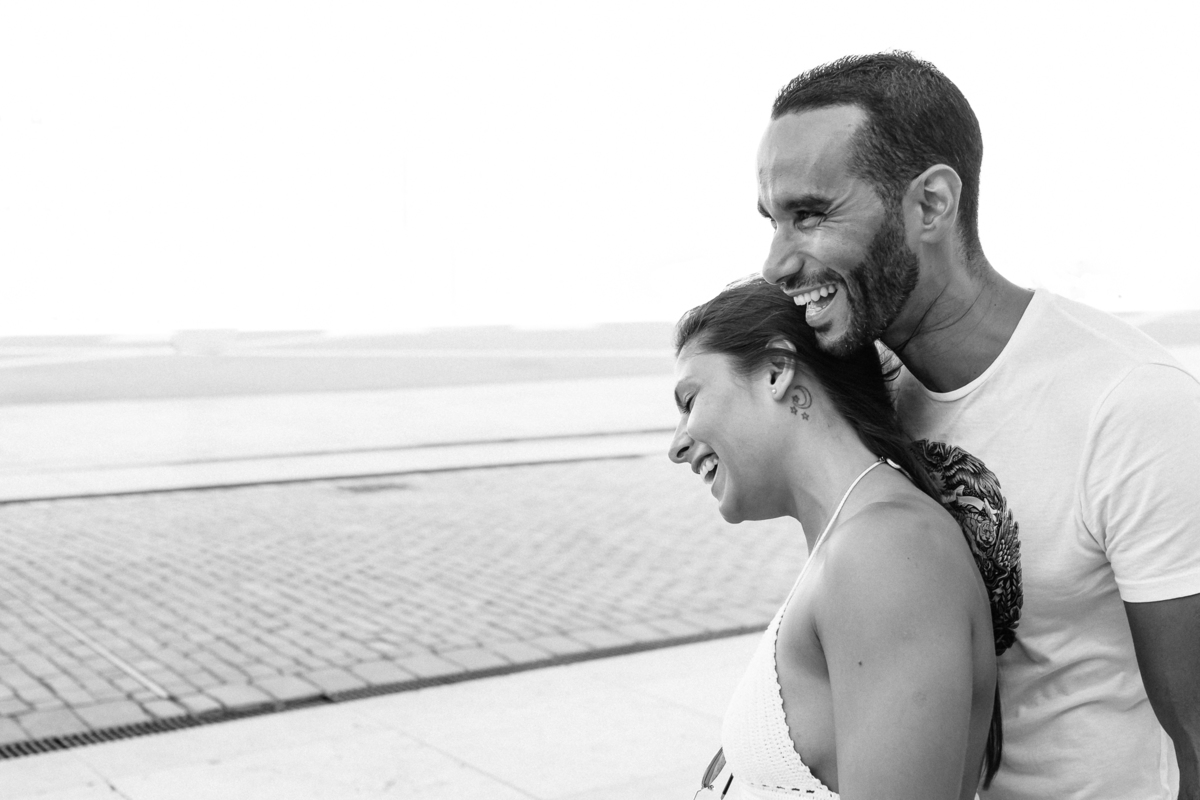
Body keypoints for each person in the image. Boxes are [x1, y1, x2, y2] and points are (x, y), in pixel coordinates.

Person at [755, 51, 1200, 800]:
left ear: (930, 204)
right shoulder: (867, 396)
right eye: (772, 220)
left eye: (810, 214)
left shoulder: (1130, 403)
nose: (775, 262)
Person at [669, 276, 1017, 799]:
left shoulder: (887, 553)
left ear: (776, 371)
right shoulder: (856, 542)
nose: (677, 446)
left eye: (690, 399)